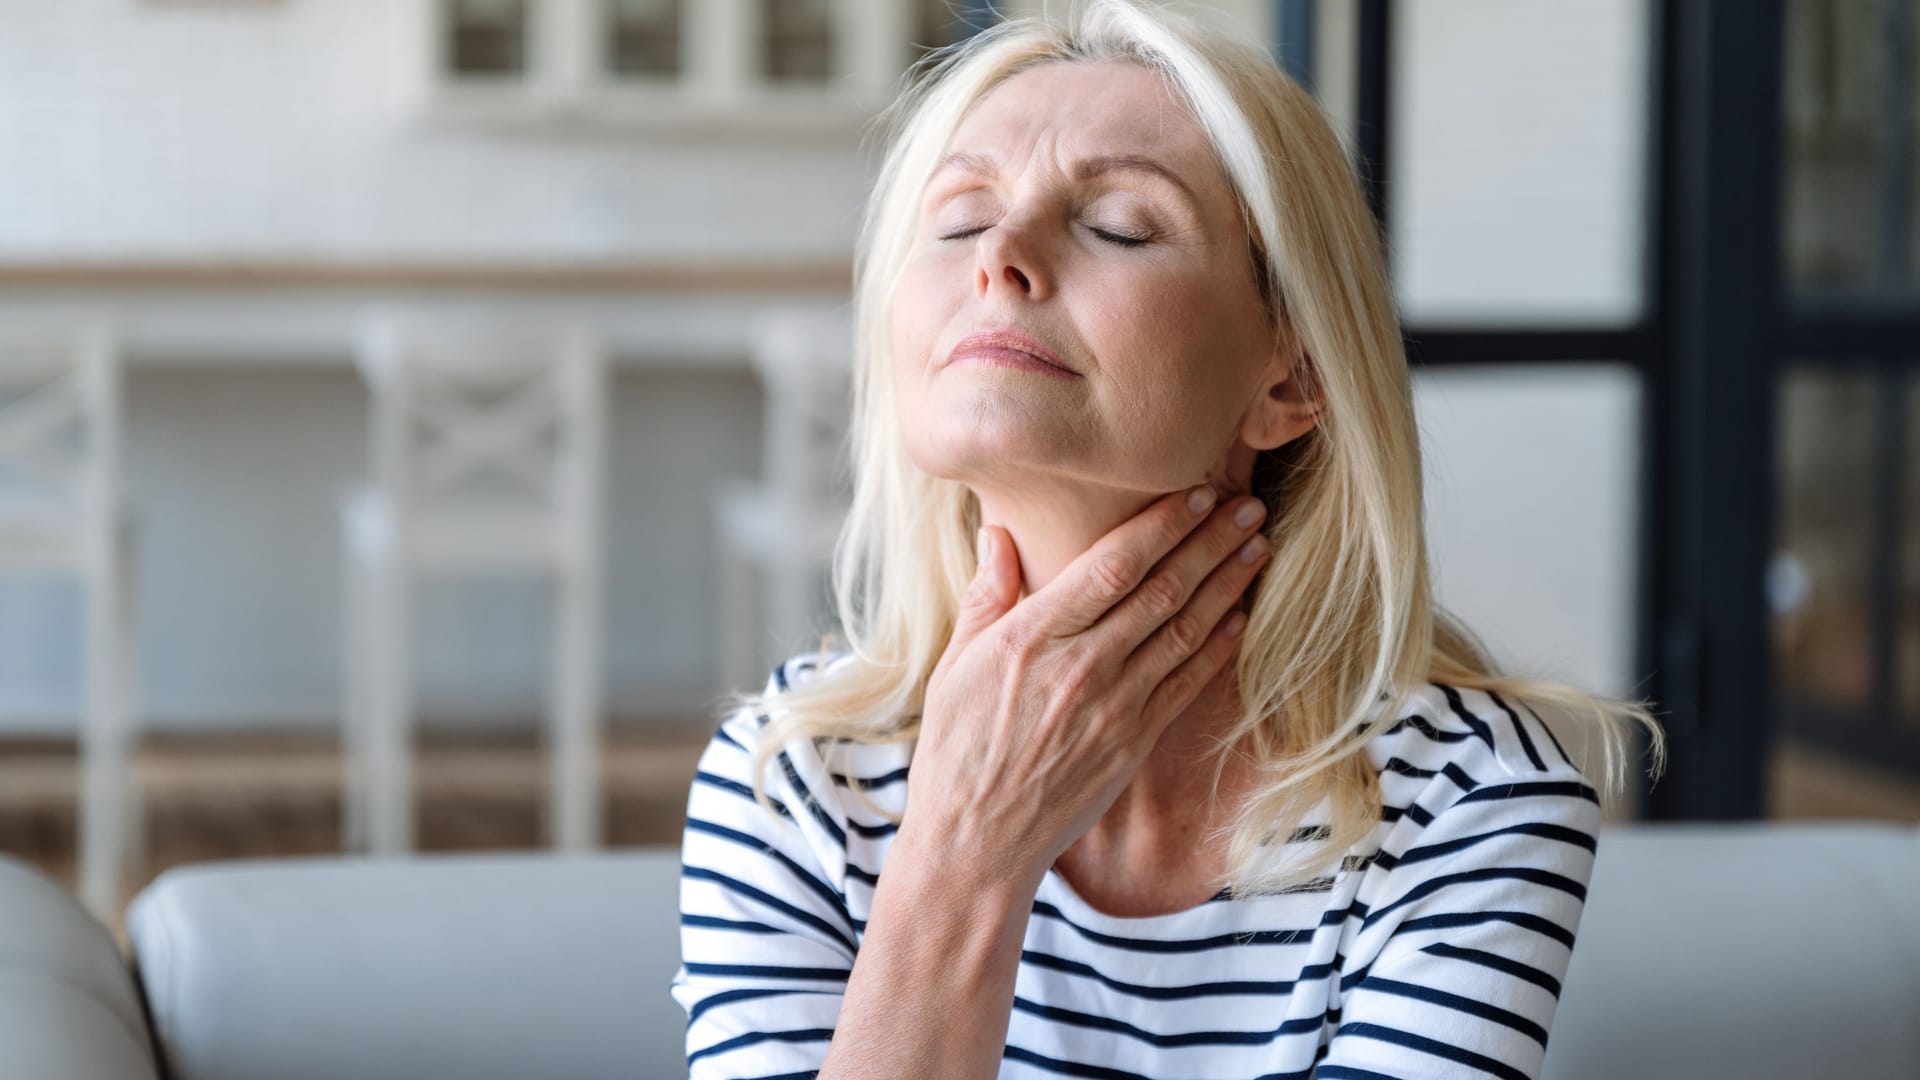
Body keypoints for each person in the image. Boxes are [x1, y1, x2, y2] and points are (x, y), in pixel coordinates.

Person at [671, 1, 1667, 1076]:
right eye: (958, 219)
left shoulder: (1473, 805)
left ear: (1293, 376)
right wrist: (962, 866)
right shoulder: (788, 785)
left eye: (1118, 226)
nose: (998, 257)